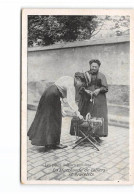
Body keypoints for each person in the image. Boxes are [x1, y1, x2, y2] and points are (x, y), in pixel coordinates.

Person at [27, 75, 84, 149]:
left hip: (48, 93)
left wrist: (61, 108)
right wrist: (78, 114)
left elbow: (62, 94)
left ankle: (49, 142)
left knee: (49, 118)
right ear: (78, 79)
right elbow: (71, 101)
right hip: (53, 95)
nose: (80, 86)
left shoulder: (68, 78)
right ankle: (54, 143)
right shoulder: (71, 85)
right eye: (81, 83)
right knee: (55, 119)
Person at [78, 59, 108, 143]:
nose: (94, 68)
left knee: (98, 115)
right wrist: (85, 90)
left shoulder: (102, 76)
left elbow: (105, 88)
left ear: (98, 67)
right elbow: (80, 86)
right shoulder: (85, 75)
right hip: (86, 98)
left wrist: (98, 90)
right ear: (90, 66)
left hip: (98, 98)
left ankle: (97, 136)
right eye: (92, 66)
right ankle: (84, 135)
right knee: (85, 114)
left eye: (96, 66)